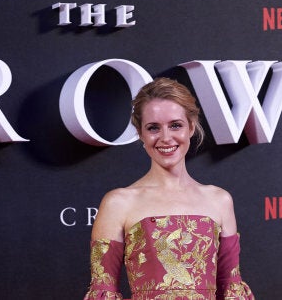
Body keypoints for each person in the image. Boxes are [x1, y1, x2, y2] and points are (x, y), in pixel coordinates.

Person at [83, 77, 254, 300]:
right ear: (140, 133)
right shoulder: (118, 203)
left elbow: (230, 288)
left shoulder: (220, 200)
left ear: (191, 127)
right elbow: (103, 290)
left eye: (175, 125)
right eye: (153, 128)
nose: (165, 138)